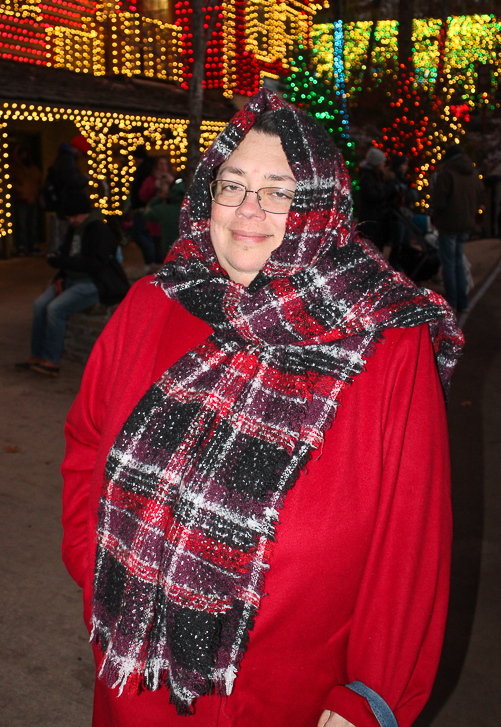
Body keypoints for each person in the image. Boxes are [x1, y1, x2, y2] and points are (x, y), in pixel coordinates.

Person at [61, 90, 462, 727]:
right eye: (232, 184)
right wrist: (97, 567)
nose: (250, 210)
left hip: (284, 699)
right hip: (132, 683)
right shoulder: (153, 304)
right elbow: (86, 445)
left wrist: (374, 694)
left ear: (322, 209)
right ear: (205, 197)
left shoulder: (387, 341)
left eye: (281, 190)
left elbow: (412, 542)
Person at [16, 190, 129, 377]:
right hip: (69, 278)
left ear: (84, 213)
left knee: (56, 309)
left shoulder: (99, 230)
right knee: (39, 305)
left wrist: (63, 262)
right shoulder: (74, 229)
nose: (71, 220)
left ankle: (51, 360)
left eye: (74, 216)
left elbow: (95, 263)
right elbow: (65, 253)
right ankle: (36, 355)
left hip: (93, 282)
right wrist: (58, 260)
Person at [431, 144, 484, 312]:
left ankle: (452, 301)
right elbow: (480, 196)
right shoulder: (473, 174)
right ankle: (463, 301)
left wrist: (435, 217)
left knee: (449, 263)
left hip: (449, 224)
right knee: (459, 261)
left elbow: (439, 201)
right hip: (466, 223)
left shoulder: (447, 174)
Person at [43, 136, 90, 252]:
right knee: (69, 233)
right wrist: (85, 179)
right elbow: (73, 182)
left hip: (63, 201)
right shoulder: (68, 160)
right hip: (68, 202)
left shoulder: (62, 158)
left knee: (65, 232)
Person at [139, 155, 176, 264]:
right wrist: (154, 186)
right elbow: (143, 196)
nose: (163, 167)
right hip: (155, 220)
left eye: (165, 164)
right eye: (161, 164)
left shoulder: (173, 179)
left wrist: (173, 182)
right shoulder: (151, 180)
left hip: (169, 218)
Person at [358, 148, 397, 251]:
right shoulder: (368, 177)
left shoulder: (374, 175)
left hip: (376, 218)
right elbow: (373, 196)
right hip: (372, 217)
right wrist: (388, 190)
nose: (384, 164)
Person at [9, 144, 43, 255]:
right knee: (21, 225)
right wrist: (21, 191)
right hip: (21, 200)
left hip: (33, 200)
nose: (25, 156)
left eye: (26, 153)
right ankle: (20, 246)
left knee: (32, 224)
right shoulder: (14, 168)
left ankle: (32, 246)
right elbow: (11, 183)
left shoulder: (33, 168)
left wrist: (37, 192)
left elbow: (39, 181)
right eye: (22, 153)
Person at [144, 174, 185, 258]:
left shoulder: (164, 209)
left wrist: (159, 198)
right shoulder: (191, 209)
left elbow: (148, 212)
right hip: (188, 251)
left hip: (169, 252)